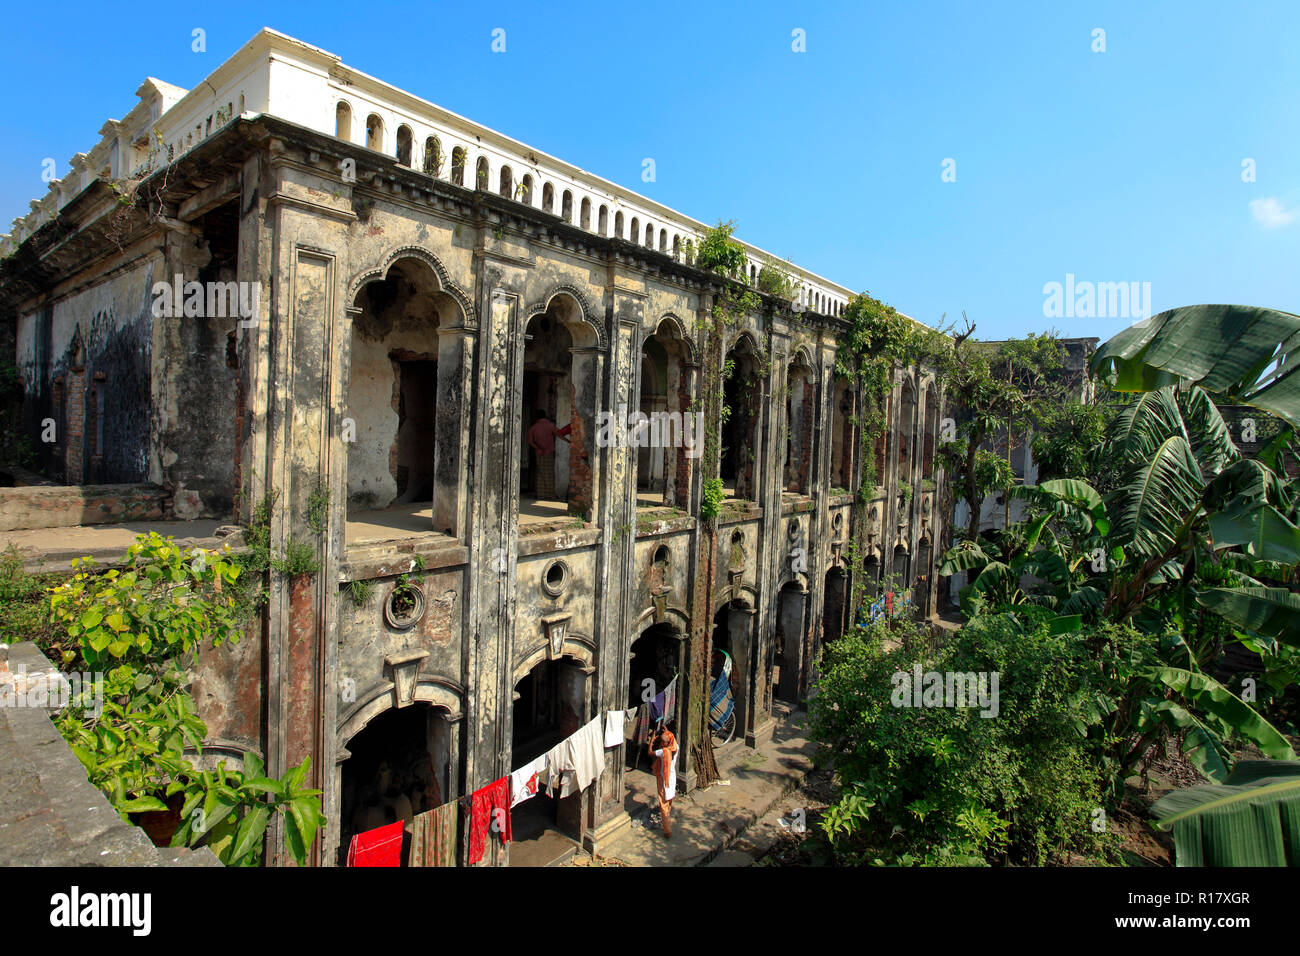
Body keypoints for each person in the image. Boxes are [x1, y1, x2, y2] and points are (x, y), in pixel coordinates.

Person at [526, 410, 571, 500]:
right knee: (550, 474)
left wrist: (537, 448)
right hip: (549, 452)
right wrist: (569, 441)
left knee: (540, 473)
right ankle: (551, 494)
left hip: (539, 453)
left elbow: (530, 441)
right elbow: (559, 434)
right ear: (545, 416)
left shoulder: (534, 427)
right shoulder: (550, 426)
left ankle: (540, 494)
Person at [649, 721, 678, 838]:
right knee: (669, 800)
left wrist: (651, 741)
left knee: (663, 804)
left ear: (666, 743)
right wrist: (666, 730)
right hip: (671, 778)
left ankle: (667, 830)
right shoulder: (675, 747)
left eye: (662, 742)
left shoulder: (663, 752)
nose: (661, 743)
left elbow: (650, 753)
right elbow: (671, 737)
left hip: (663, 778)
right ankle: (667, 819)